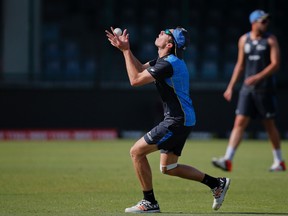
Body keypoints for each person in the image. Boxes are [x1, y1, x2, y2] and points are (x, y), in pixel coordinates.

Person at [105, 26, 230, 213]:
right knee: (169, 167)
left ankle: (149, 202)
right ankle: (217, 183)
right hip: (183, 119)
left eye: (165, 33)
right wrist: (126, 49)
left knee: (136, 152)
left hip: (176, 120)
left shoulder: (168, 64)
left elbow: (135, 79)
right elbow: (139, 69)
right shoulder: (164, 61)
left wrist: (125, 51)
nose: (161, 32)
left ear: (170, 44)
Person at [212, 10, 286, 172]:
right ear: (254, 22)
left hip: (265, 89)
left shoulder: (270, 40)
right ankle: (228, 159)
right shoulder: (244, 40)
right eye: (263, 21)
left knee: (269, 125)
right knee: (239, 123)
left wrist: (257, 77)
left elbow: (275, 64)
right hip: (247, 89)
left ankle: (279, 161)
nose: (266, 24)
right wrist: (230, 87)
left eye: (267, 21)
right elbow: (240, 65)